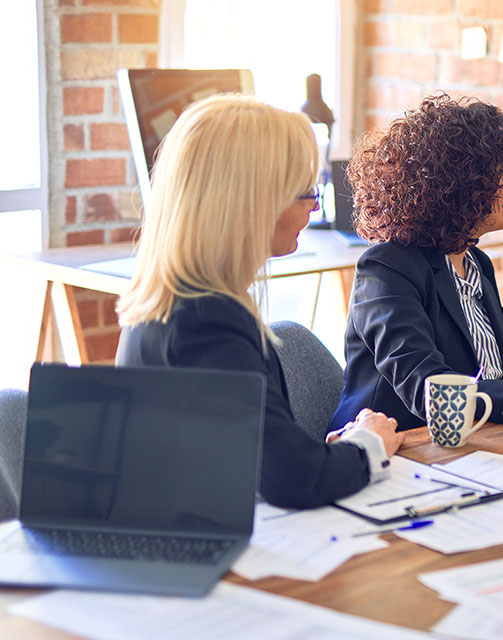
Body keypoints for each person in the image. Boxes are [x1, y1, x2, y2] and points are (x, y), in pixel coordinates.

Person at [116, 95, 405, 510]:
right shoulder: (207, 321)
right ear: (253, 202)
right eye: (306, 192)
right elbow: (291, 480)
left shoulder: (175, 302)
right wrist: (368, 445)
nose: (314, 206)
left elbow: (260, 453)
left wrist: (329, 455)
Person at [330, 95, 503, 433]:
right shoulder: (386, 268)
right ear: (458, 183)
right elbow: (431, 390)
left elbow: (490, 382)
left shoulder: (478, 265)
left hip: (463, 450)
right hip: (389, 453)